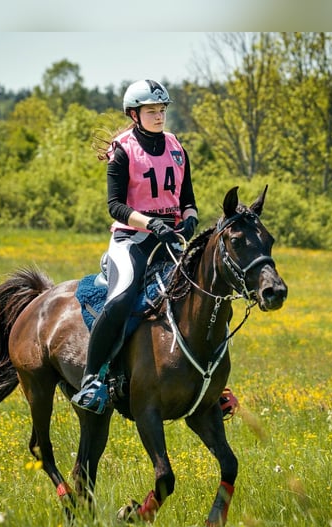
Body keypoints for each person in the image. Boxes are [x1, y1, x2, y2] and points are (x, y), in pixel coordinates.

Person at [71, 79, 199, 413]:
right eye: (152, 111)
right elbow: (115, 206)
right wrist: (151, 223)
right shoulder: (123, 149)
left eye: (162, 110)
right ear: (134, 114)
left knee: (202, 294)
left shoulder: (176, 146)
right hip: (131, 240)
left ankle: (210, 381)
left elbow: (188, 199)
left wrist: (189, 220)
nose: (159, 116)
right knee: (121, 299)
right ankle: (91, 381)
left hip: (170, 239)